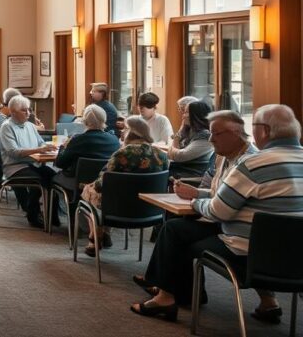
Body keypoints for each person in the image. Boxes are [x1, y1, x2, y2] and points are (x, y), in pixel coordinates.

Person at [129, 105, 303, 322]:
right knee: (182, 231)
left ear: (265, 131)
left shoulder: (253, 164)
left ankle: (167, 297)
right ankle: (268, 301)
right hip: (296, 258)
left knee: (177, 234)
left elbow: (218, 211)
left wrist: (194, 202)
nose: (211, 139)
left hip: (248, 254)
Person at [78, 115, 164, 255]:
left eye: (125, 129)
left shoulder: (122, 154)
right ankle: (104, 233)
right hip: (149, 211)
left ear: (132, 132)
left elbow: (101, 184)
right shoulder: (161, 155)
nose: (122, 132)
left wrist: (89, 185)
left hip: (118, 210)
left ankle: (94, 239)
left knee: (90, 190)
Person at [0, 95, 58, 228]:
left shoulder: (30, 126)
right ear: (13, 112)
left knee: (55, 177)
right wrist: (39, 149)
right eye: (24, 110)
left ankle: (52, 215)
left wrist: (49, 147)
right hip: (15, 167)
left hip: (32, 163)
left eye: (29, 110)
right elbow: (13, 152)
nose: (28, 113)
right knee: (39, 180)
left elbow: (41, 143)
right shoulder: (6, 127)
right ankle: (33, 215)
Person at [51, 105, 120, 208]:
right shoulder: (114, 140)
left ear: (84, 121)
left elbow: (60, 163)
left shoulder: (78, 140)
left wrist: (62, 147)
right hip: (104, 183)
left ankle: (52, 218)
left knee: (50, 176)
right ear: (104, 119)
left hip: (77, 183)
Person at [167, 100, 214, 178]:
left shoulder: (205, 135)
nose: (183, 116)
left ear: (196, 115)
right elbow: (172, 154)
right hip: (180, 170)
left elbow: (178, 156)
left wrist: (177, 136)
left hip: (190, 174)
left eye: (186, 112)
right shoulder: (191, 131)